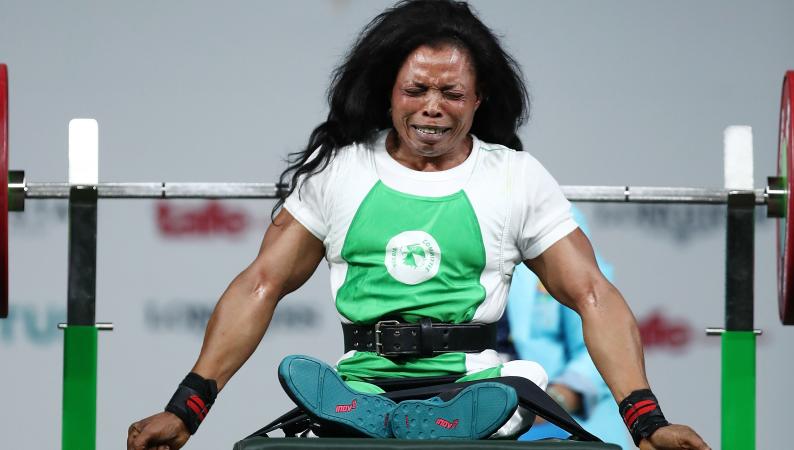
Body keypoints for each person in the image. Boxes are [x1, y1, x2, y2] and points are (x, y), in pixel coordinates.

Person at [127, 1, 711, 449]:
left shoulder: (515, 177)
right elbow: (261, 285)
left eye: (452, 93)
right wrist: (186, 409)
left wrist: (646, 421)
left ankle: (440, 417)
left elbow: (591, 293)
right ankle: (384, 416)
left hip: (473, 389)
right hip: (359, 387)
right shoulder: (339, 172)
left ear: (480, 98)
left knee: (515, 390)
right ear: (389, 92)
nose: (433, 106)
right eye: (417, 89)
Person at [498, 208, 631, 448]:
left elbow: (604, 333)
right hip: (474, 413)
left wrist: (554, 400)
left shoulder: (549, 213)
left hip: (560, 421)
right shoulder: (447, 219)